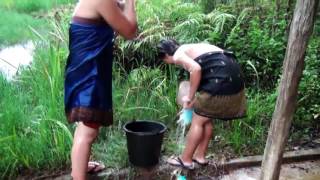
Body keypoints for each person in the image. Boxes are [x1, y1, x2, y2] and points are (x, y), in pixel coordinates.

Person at [64, 0, 137, 179]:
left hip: (89, 67)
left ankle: (79, 166)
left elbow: (120, 9)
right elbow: (130, 31)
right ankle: (78, 176)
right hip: (89, 70)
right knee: (89, 129)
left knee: (86, 125)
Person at [157, 39, 247, 169]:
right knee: (206, 119)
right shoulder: (191, 48)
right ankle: (200, 156)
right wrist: (193, 100)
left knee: (197, 121)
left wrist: (189, 97)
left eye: (165, 61)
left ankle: (186, 159)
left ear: (165, 55)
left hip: (221, 79)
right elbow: (202, 76)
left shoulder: (177, 55)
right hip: (234, 78)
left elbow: (196, 69)